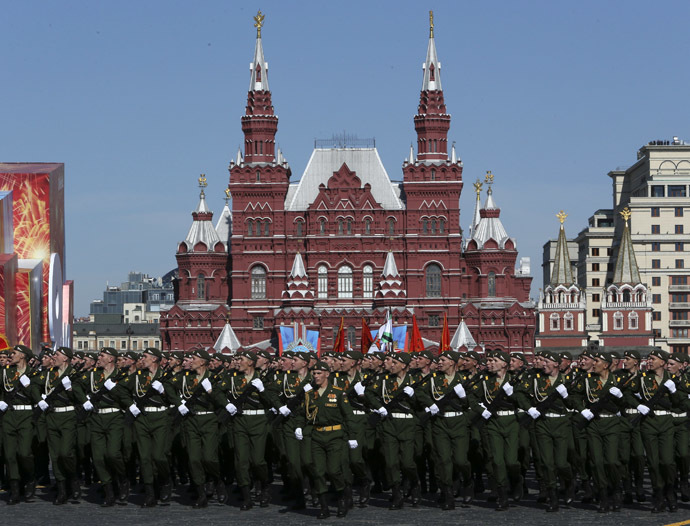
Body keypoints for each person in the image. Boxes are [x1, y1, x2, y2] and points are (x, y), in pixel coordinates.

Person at [294, 360, 356, 519]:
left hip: (335, 436)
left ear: (327, 374)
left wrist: (352, 436)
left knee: (334, 470)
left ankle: (342, 497)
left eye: (319, 373)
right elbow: (302, 413)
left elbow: (348, 416)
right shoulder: (309, 394)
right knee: (318, 472)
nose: (316, 376)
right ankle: (324, 506)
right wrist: (299, 426)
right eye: (314, 373)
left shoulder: (337, 392)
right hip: (317, 436)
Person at [0, 345, 40, 504]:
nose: (11, 356)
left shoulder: (33, 374)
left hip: (26, 415)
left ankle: (30, 479)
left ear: (23, 356)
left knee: (24, 452)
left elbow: (37, 397)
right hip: (9, 415)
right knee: (9, 454)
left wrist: (29, 386)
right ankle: (15, 488)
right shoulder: (5, 372)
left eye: (14, 353)